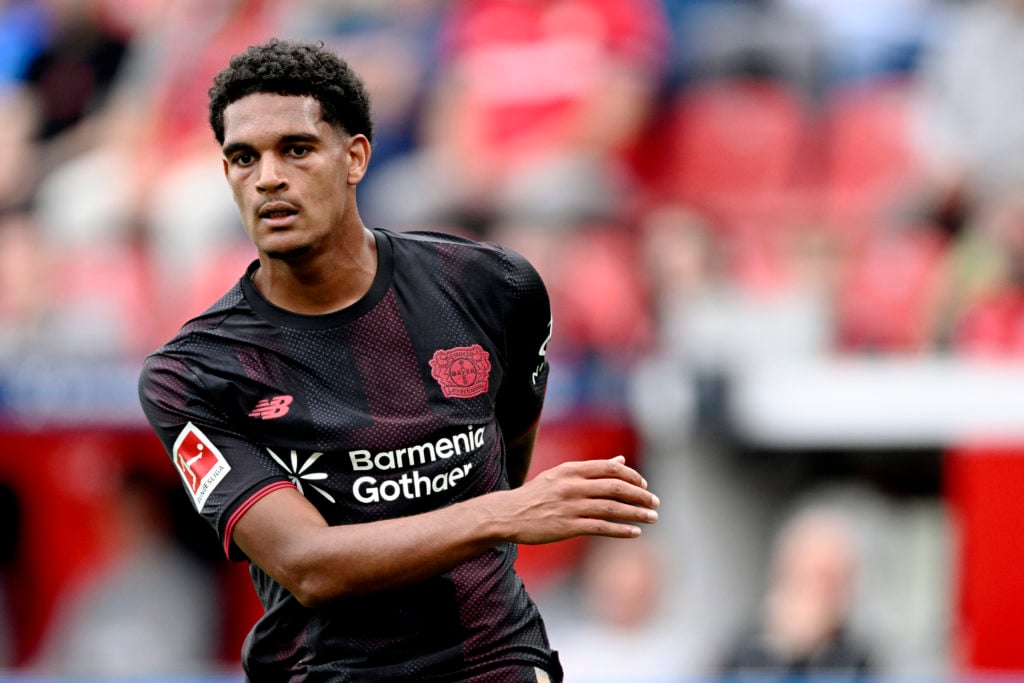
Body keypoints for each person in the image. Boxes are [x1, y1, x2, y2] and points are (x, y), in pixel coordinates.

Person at [137, 38, 659, 683]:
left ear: (355, 156)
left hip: (493, 661)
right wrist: (502, 515)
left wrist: (499, 509)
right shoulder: (195, 372)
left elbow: (504, 458)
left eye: (296, 149)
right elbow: (308, 565)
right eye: (244, 158)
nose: (268, 176)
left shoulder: (494, 288)